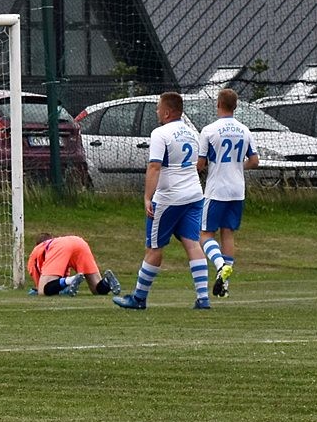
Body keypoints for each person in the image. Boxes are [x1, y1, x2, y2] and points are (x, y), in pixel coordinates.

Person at [114, 92, 212, 310]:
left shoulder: (160, 133)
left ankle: (139, 298)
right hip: (194, 194)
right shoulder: (191, 133)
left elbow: (154, 166)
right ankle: (203, 297)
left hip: (169, 198)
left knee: (154, 247)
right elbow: (198, 164)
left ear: (167, 112)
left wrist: (147, 197)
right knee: (192, 243)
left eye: (159, 108)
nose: (157, 111)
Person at [197, 88, 259, 298]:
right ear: (236, 106)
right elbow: (254, 161)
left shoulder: (209, 130)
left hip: (217, 189)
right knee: (228, 233)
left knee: (205, 234)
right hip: (237, 189)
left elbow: (200, 164)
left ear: (218, 104)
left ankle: (220, 265)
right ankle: (224, 286)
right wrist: (238, 166)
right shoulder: (244, 130)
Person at [26, 233, 120, 296]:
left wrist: (38, 289)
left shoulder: (38, 250)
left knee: (43, 290)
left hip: (61, 246)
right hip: (79, 242)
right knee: (96, 289)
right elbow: (59, 280)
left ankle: (71, 279)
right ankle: (107, 281)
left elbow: (41, 288)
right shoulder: (57, 247)